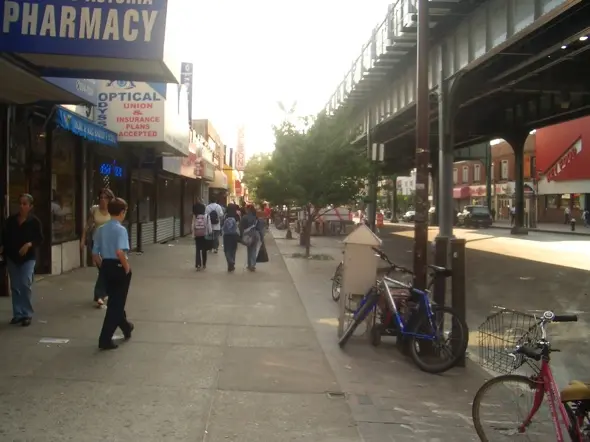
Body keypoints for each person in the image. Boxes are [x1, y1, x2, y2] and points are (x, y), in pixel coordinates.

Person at [92, 198, 134, 350]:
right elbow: (120, 251)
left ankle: (126, 327)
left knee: (115, 300)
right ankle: (105, 338)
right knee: (116, 304)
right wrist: (126, 268)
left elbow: (95, 254)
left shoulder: (100, 229)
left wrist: (103, 266)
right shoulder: (121, 230)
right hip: (118, 266)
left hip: (106, 266)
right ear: (122, 212)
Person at [0, 194, 43, 327]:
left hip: (28, 258)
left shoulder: (34, 221)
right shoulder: (11, 221)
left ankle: (27, 313)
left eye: (25, 204)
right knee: (16, 286)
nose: (22, 206)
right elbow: (4, 236)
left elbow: (40, 239)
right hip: (12, 257)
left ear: (30, 207)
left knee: (25, 283)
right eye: (20, 203)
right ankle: (18, 314)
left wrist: (29, 244)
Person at [81, 188, 115, 308]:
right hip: (96, 243)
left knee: (105, 269)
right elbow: (88, 224)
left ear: (109, 200)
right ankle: (100, 295)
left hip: (109, 244)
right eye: (101, 197)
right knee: (102, 268)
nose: (102, 200)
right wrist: (83, 239)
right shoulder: (95, 210)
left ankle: (100, 294)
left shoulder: (112, 211)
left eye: (105, 198)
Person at [240, 205, 263, 272]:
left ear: (248, 210)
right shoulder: (255, 217)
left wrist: (241, 236)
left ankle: (250, 264)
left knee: (249, 249)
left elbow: (241, 227)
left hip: (248, 235)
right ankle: (252, 265)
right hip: (255, 234)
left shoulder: (244, 217)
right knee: (253, 250)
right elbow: (259, 228)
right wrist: (261, 237)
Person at [193, 201, 212, 270]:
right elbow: (209, 225)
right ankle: (204, 264)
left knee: (198, 250)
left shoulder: (195, 216)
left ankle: (198, 264)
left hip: (197, 235)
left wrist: (193, 234)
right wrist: (210, 232)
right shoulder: (206, 216)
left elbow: (193, 226)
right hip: (205, 234)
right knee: (204, 250)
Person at [222, 204, 241, 272]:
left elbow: (222, 224)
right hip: (234, 235)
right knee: (233, 250)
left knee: (227, 250)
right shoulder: (237, 216)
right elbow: (239, 225)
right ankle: (232, 264)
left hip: (226, 236)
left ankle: (230, 262)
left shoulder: (225, 216)